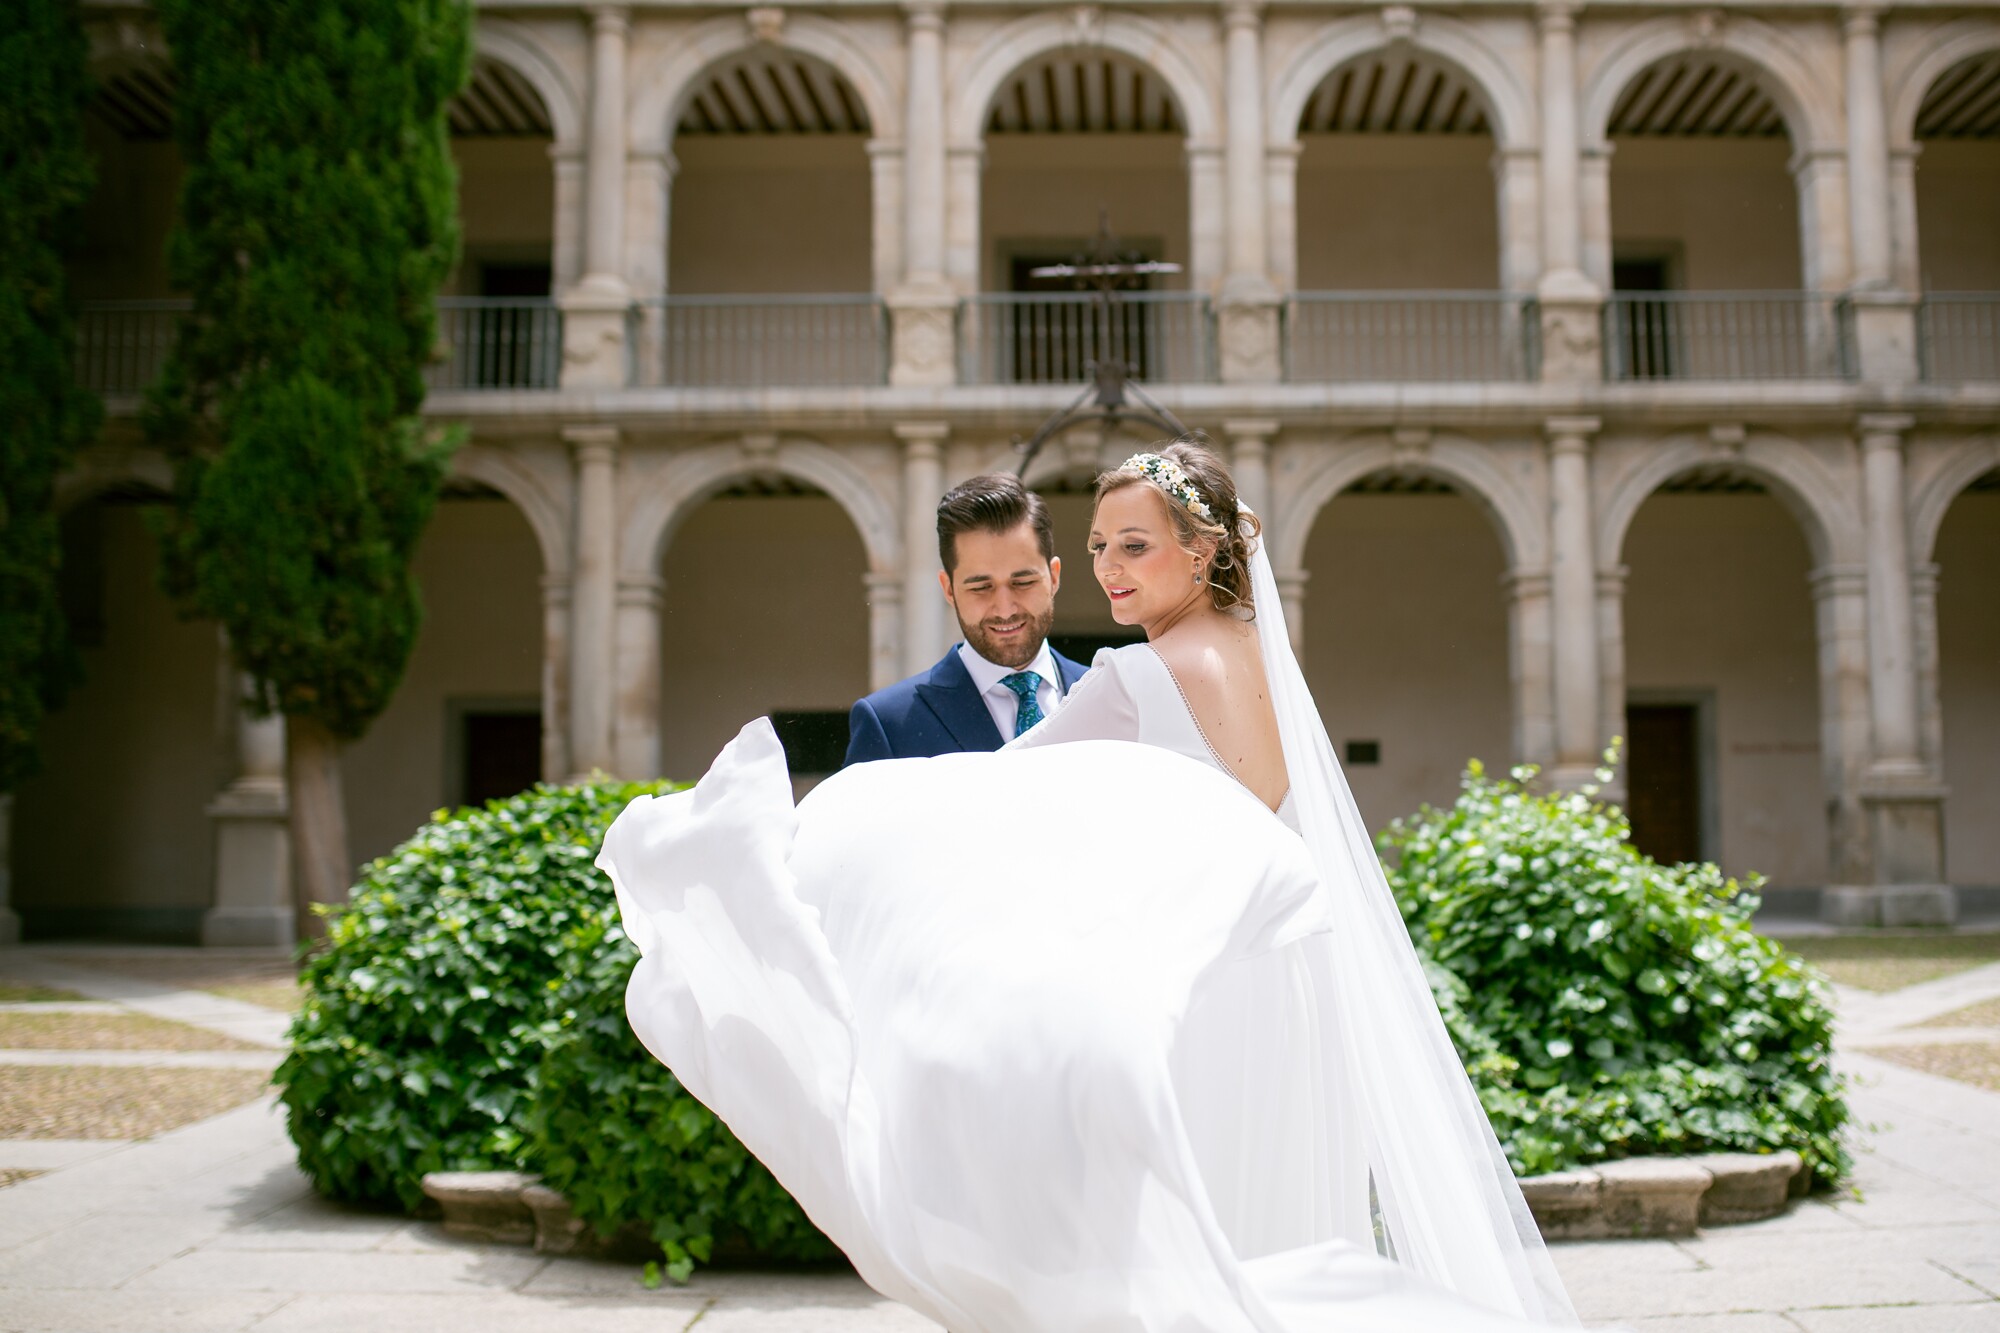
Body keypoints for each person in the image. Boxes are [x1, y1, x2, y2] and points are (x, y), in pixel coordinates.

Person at [599, 440, 1584, 1332]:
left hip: (1197, 989)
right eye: (1101, 545)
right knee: (1268, 1208)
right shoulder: (1261, 661)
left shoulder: (1139, 674)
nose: (1109, 569)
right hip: (1288, 983)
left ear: (1201, 552)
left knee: (1174, 1225)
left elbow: (992, 796)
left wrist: (783, 852)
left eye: (1134, 546)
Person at [844, 472, 1089, 765]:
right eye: (981, 587)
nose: (1005, 608)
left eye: (1022, 582)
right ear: (948, 589)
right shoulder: (887, 724)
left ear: (1054, 577)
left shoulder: (1109, 697)